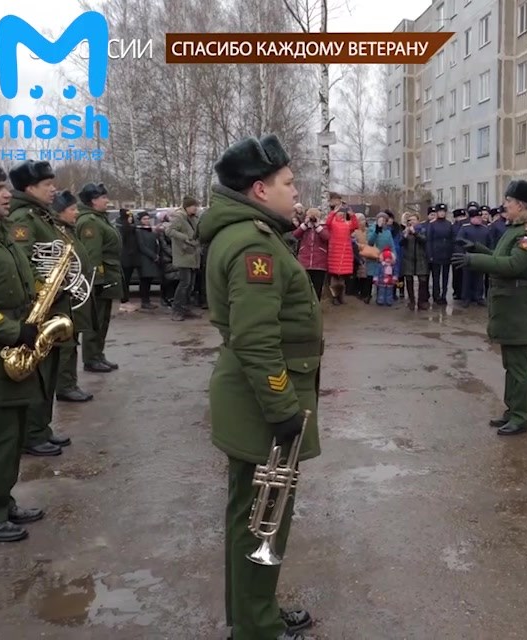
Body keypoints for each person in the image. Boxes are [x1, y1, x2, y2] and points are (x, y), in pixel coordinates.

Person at [199, 135, 320, 640]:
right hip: (262, 404)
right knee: (262, 518)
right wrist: (282, 406)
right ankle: (256, 627)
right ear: (258, 189)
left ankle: (252, 613)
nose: (296, 192)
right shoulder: (253, 244)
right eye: (288, 184)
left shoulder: (251, 233)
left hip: (254, 399)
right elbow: (255, 339)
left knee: (251, 514)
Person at [0, 157, 46, 542]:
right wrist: (13, 330)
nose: (6, 194)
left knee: (13, 436)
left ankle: (0, 500)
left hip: (11, 354)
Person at [452, 180, 527, 437]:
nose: (504, 205)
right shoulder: (515, 229)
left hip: (518, 304)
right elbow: (500, 257)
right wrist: (480, 249)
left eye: (508, 201)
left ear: (520, 204)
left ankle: (521, 417)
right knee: (511, 363)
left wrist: (475, 260)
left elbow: (514, 265)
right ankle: (512, 411)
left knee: (520, 365)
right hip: (509, 303)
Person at [6, 160, 75, 456]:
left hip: (54, 305)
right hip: (41, 308)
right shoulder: (24, 218)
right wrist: (44, 293)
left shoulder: (41, 216)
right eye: (47, 185)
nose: (53, 189)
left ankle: (42, 427)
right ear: (30, 188)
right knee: (40, 373)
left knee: (51, 370)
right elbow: (24, 264)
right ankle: (32, 434)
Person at [49, 191, 95, 405]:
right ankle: (65, 386)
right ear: (60, 212)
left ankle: (69, 383)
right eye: (72, 209)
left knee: (72, 339)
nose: (76, 212)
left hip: (76, 294)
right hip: (64, 296)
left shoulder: (68, 230)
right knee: (66, 343)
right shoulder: (57, 232)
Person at [76, 182, 123, 372]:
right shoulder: (90, 222)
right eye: (103, 197)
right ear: (94, 201)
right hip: (99, 279)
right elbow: (91, 254)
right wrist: (96, 281)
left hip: (108, 275)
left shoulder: (99, 219)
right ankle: (91, 358)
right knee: (96, 320)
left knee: (103, 320)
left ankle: (98, 354)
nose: (107, 201)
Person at [165, 197, 202, 321]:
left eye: (196, 206)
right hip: (183, 255)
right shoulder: (179, 217)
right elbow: (169, 231)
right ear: (187, 207)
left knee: (190, 284)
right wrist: (185, 237)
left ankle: (185, 307)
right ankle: (177, 309)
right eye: (193, 206)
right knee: (184, 283)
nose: (195, 208)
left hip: (193, 255)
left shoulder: (193, 218)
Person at [425, 204, 454, 305]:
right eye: (440, 211)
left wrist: (451, 253)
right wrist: (430, 254)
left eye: (443, 211)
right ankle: (436, 295)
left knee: (446, 277)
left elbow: (452, 239)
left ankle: (444, 295)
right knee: (436, 277)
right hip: (436, 253)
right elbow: (429, 240)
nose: (442, 213)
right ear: (437, 213)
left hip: (446, 253)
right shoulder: (432, 224)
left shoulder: (449, 224)